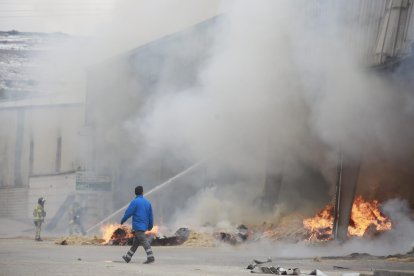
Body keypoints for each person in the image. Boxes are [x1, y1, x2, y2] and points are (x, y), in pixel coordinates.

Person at [120, 185, 155, 264]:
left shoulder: (134, 202)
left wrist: (123, 220)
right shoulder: (147, 203)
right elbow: (151, 216)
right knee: (135, 243)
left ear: (135, 193)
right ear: (142, 192)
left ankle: (150, 257)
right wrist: (150, 226)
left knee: (143, 240)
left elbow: (128, 213)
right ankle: (128, 257)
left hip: (138, 226)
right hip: (144, 225)